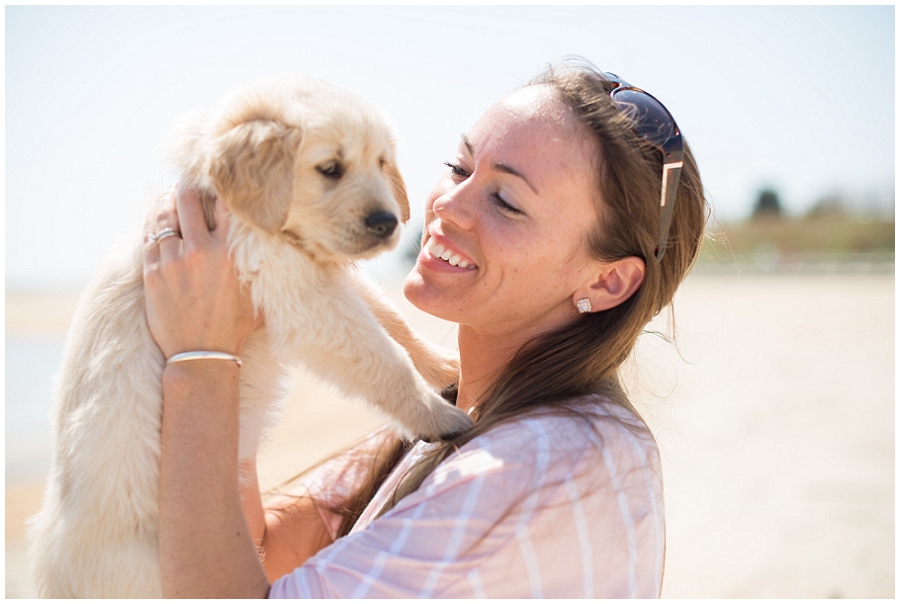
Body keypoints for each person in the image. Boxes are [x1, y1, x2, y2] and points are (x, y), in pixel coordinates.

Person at [142, 59, 706, 598]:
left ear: (608, 283)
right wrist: (247, 305)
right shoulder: (475, 420)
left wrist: (201, 358)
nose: (447, 205)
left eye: (506, 201)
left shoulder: (541, 463)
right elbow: (262, 547)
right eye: (460, 167)